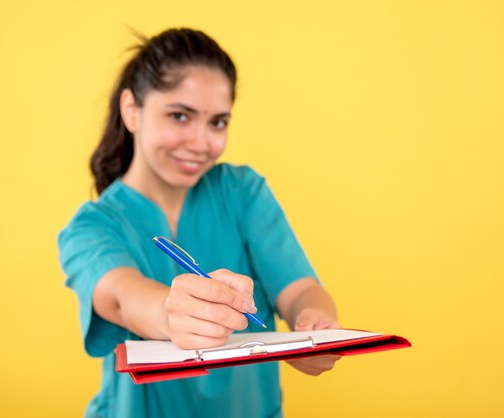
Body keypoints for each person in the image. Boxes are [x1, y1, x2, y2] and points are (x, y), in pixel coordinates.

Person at [58, 27, 340, 418]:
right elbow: (122, 297)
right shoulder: (91, 228)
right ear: (132, 110)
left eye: (217, 123)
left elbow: (300, 290)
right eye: (179, 115)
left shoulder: (243, 192)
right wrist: (169, 313)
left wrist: (316, 325)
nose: (201, 142)